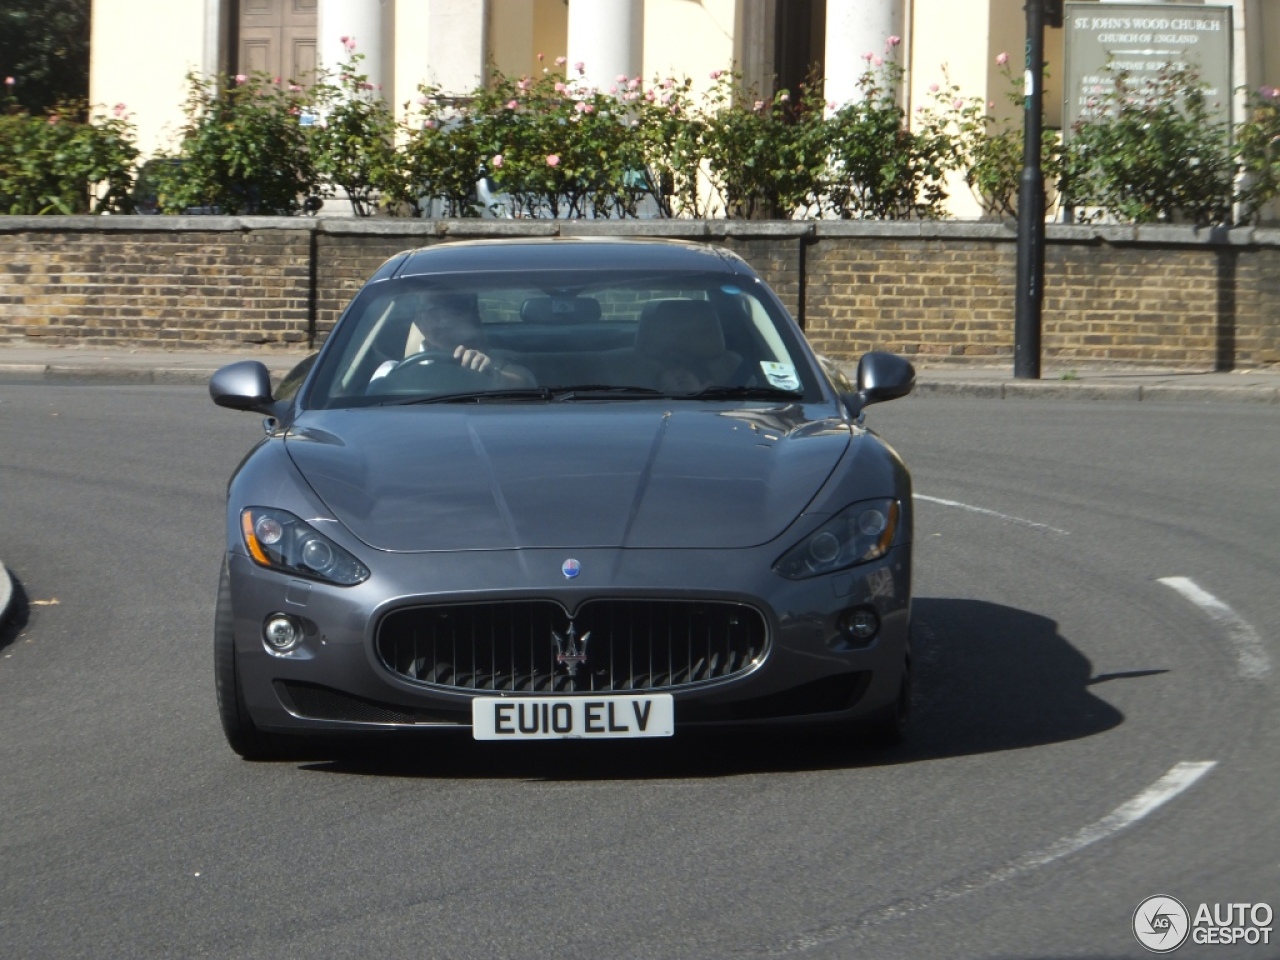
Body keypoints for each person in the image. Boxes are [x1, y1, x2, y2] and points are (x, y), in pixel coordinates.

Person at [374, 292, 535, 387]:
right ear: (418, 320)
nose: (444, 320)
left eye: (454, 309)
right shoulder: (393, 371)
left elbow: (524, 383)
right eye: (433, 310)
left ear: (471, 316)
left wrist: (492, 376)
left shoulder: (497, 361)